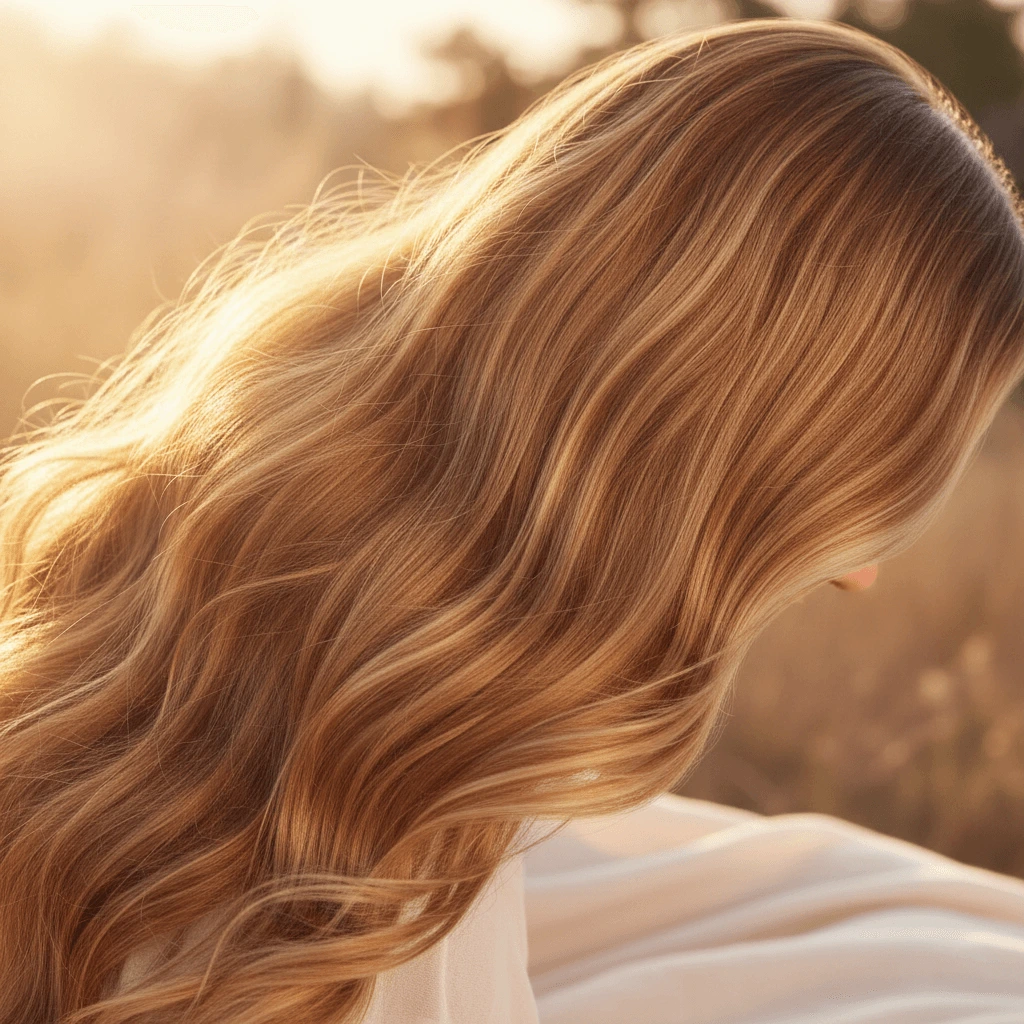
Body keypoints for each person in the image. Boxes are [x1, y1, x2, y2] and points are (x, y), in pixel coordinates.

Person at [0, 15, 1023, 1024]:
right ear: (753, 467)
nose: (863, 576)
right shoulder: (405, 851)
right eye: (873, 486)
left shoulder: (191, 512)